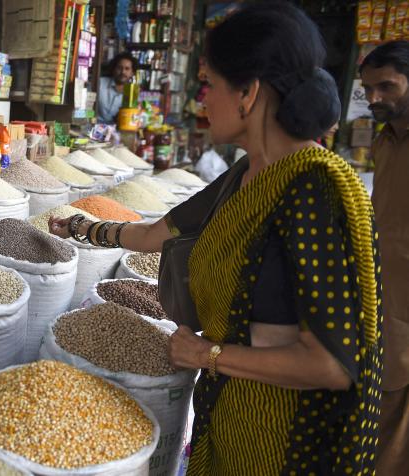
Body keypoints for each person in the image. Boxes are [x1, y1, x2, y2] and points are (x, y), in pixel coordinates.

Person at [51, 4, 382, 474]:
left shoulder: (317, 190)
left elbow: (329, 364)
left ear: (247, 93)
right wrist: (82, 226)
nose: (201, 101)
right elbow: (155, 233)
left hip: (288, 446)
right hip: (232, 419)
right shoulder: (245, 175)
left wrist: (207, 354)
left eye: (209, 86)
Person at [359, 40, 409, 475]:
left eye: (386, 87)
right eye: (368, 88)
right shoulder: (385, 140)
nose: (375, 98)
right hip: (386, 296)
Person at [96, 52, 137, 124]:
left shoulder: (133, 92)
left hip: (119, 131)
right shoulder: (99, 83)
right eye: (119, 68)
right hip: (94, 129)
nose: (123, 72)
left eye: (127, 69)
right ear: (114, 69)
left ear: (132, 73)